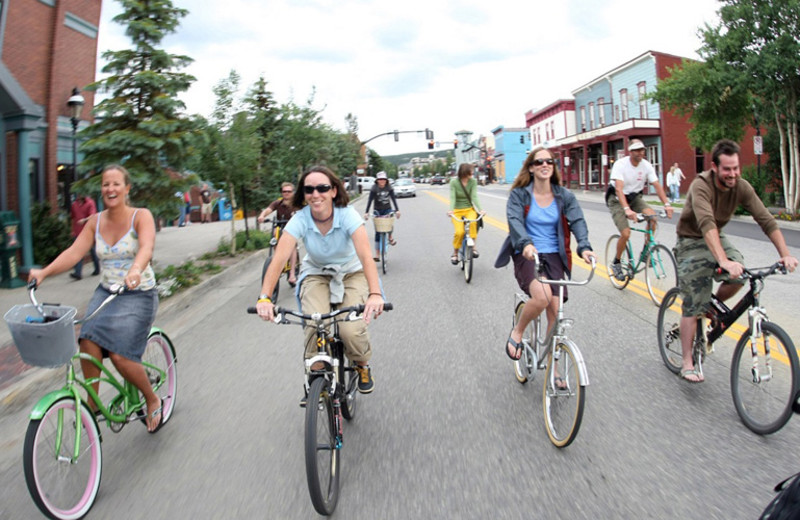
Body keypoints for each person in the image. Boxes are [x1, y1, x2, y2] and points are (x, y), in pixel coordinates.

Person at [28, 164, 163, 431]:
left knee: (120, 355)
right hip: (107, 292)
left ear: (127, 188)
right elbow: (74, 253)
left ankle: (152, 398)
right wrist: (44, 272)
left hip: (138, 293)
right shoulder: (95, 222)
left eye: (116, 184)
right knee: (87, 342)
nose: (110, 189)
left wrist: (135, 269)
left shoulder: (141, 215)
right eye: (105, 184)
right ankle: (92, 406)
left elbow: (147, 246)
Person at [674, 139, 797, 383]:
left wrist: (785, 254)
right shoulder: (702, 185)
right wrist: (722, 260)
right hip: (691, 240)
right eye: (727, 169)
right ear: (715, 167)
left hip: (716, 236)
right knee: (694, 299)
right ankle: (687, 361)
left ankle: (712, 306)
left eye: (736, 168)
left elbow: (766, 220)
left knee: (740, 275)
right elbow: (706, 222)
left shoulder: (741, 186)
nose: (733, 174)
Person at [256, 165, 384, 397]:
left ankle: (362, 365)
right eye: (309, 190)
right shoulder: (300, 219)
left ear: (334, 191)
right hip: (317, 272)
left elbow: (366, 256)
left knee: (350, 330)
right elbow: (279, 258)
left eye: (322, 188)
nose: (316, 194)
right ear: (303, 194)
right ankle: (316, 377)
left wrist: (375, 294)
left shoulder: (347, 215)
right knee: (315, 325)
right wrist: (264, 297)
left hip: (351, 272)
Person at [495, 147, 596, 367]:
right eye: (539, 162)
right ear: (531, 167)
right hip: (528, 255)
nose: (545, 165)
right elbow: (515, 222)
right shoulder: (520, 195)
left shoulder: (563, 196)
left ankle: (553, 369)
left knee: (555, 313)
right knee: (542, 297)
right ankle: (518, 330)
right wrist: (526, 244)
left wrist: (585, 247)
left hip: (555, 257)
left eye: (549, 162)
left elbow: (577, 220)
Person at [606, 139, 674, 280]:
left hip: (634, 197)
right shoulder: (621, 164)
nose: (640, 153)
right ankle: (616, 263)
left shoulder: (646, 166)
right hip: (617, 199)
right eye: (636, 150)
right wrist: (627, 210)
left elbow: (657, 185)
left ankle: (645, 253)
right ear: (630, 151)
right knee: (625, 233)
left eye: (642, 150)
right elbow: (618, 189)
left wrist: (667, 204)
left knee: (652, 218)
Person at [257, 182, 300, 285]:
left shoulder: (296, 204)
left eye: (289, 191)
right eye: (284, 191)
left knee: (292, 246)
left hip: (292, 229)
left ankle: (292, 273)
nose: (286, 193)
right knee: (275, 237)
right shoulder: (278, 203)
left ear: (293, 192)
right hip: (280, 226)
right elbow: (268, 209)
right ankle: (278, 260)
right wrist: (262, 216)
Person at [448, 163, 486, 264]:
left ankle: (473, 247)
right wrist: (451, 210)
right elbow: (452, 197)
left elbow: (474, 196)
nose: (472, 173)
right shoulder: (454, 182)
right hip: (457, 210)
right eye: (471, 171)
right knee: (459, 232)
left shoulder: (473, 181)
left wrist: (480, 209)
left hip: (469, 209)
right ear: (464, 172)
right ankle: (455, 253)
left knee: (473, 223)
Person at [363, 171, 401, 261]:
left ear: (386, 180)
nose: (382, 181)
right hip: (377, 210)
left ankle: (390, 237)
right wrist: (366, 212)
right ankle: (377, 254)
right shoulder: (374, 188)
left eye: (383, 179)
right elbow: (370, 200)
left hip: (387, 208)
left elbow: (393, 199)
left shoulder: (389, 187)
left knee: (389, 223)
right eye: (380, 179)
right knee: (377, 231)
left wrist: (397, 210)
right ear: (377, 180)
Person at [69, 193, 100, 280]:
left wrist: (84, 220)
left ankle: (97, 269)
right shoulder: (74, 204)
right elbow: (73, 218)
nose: (79, 195)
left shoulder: (90, 203)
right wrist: (72, 230)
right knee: (77, 252)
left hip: (88, 232)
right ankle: (78, 273)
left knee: (93, 251)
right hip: (77, 232)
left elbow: (92, 216)